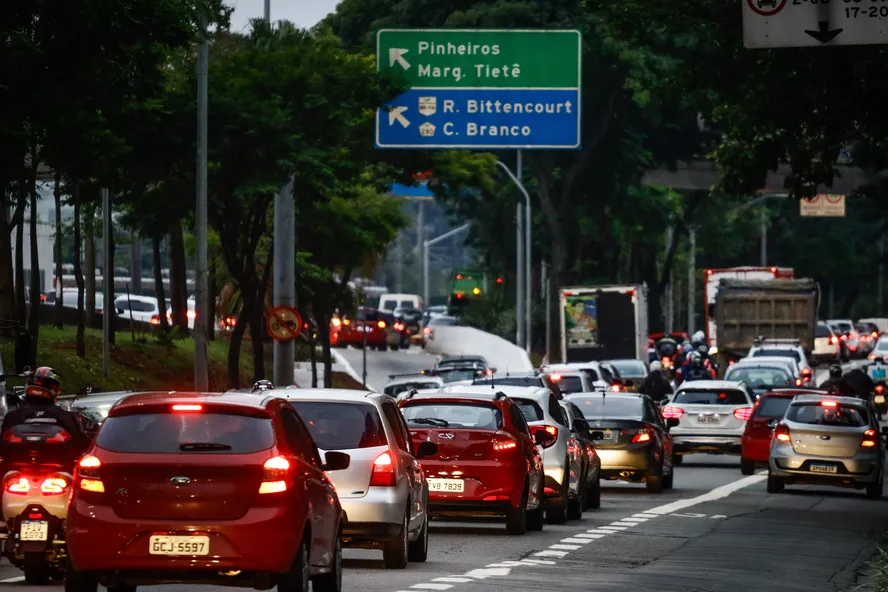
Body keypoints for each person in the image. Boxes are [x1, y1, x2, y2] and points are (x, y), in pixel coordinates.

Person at [0, 367, 89, 472]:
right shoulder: (65, 416)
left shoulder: (13, 416)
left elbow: (2, 447)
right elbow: (81, 444)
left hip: (17, 475)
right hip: (57, 476)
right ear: (55, 390)